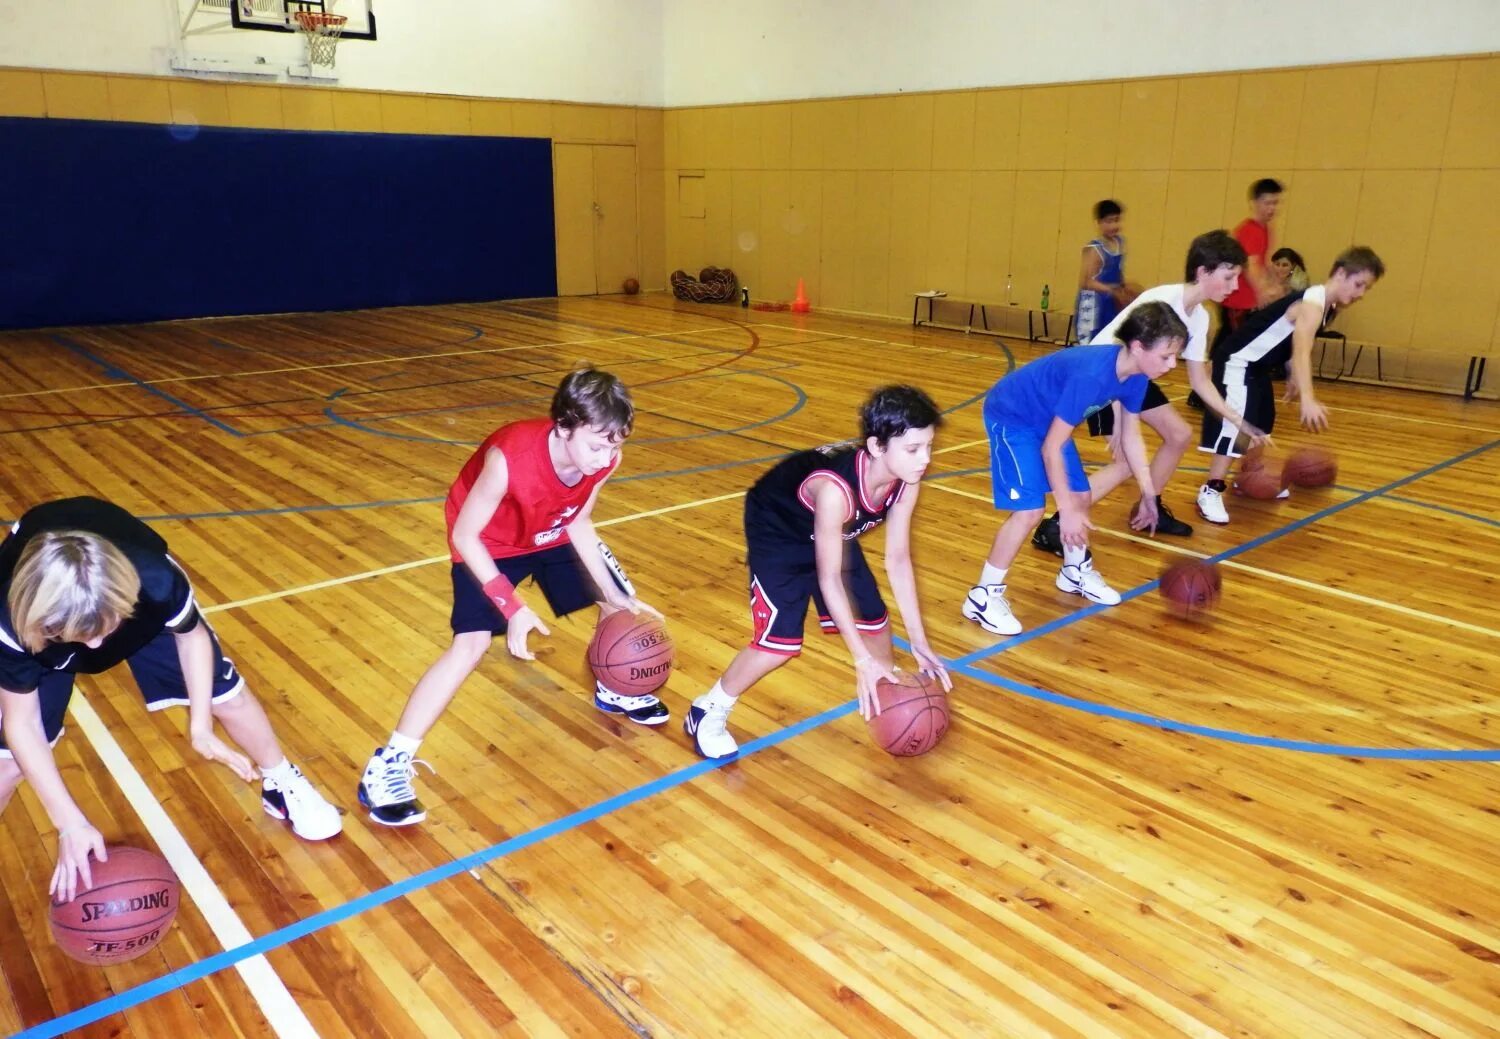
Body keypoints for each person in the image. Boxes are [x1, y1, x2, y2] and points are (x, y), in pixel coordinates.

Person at [0, 497, 342, 903]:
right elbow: (22, 723)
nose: (94, 647)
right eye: (83, 636)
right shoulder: (13, 622)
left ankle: (281, 782)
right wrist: (69, 822)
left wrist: (200, 726)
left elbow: (192, 638)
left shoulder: (156, 580)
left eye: (102, 632)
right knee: (7, 761)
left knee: (226, 696)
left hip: (127, 610)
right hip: (46, 631)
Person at [358, 368, 660, 825]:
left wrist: (618, 595)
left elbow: (578, 521)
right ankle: (389, 764)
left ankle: (614, 686)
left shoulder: (605, 458)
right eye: (597, 446)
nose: (605, 458)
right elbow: (465, 535)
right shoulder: (510, 459)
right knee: (471, 645)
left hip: (551, 531)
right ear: (563, 427)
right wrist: (512, 606)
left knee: (617, 605)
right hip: (488, 541)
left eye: (615, 445)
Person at [684, 386, 952, 761]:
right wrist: (860, 660)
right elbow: (828, 579)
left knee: (873, 621)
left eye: (928, 447)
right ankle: (708, 710)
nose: (924, 459)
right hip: (779, 528)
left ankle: (889, 691)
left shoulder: (906, 479)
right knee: (779, 644)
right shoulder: (835, 493)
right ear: (876, 447)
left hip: (831, 528)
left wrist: (920, 640)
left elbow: (898, 559)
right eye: (913, 449)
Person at [964, 303, 1188, 637]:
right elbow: (1051, 448)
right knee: (1030, 511)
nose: (1172, 365)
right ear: (1138, 347)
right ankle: (983, 597)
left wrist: (1149, 492)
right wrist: (1065, 511)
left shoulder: (1137, 374)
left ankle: (1074, 572)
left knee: (1081, 493)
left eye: (1176, 357)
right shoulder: (1092, 375)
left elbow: (1131, 434)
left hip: (1046, 419)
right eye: (1167, 356)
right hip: (1013, 416)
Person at [1032, 230, 1250, 555]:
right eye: (1229, 277)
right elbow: (1124, 354)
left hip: (1135, 378)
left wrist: (1236, 419)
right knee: (1125, 462)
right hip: (1103, 375)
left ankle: (1150, 506)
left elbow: (1200, 381)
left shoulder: (1200, 317)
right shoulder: (1162, 300)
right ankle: (1057, 524)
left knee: (1179, 434)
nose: (1234, 287)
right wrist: (1122, 421)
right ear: (1204, 272)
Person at [1197, 246, 1385, 523]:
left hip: (1258, 366)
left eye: (1366, 289)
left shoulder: (1327, 307)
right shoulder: (1313, 302)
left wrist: (1291, 375)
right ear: (1341, 273)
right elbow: (1300, 348)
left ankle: (1247, 477)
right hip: (1238, 361)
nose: (1360, 294)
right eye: (1358, 285)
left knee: (1261, 422)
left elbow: (1288, 339)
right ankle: (1210, 490)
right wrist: (1308, 397)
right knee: (1236, 426)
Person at [1190, 178, 1284, 410]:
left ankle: (1204, 392)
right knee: (1227, 350)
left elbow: (1263, 262)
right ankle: (1203, 392)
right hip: (1236, 303)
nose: (1271, 208)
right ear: (1254, 203)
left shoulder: (1265, 230)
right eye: (1267, 203)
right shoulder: (1249, 230)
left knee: (1227, 348)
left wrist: (1275, 283)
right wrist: (1264, 293)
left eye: (1275, 203)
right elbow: (1251, 265)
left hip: (1244, 303)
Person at [1073, 200, 1138, 345]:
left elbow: (1118, 272)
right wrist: (1112, 289)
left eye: (1116, 220)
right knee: (1091, 347)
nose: (1114, 225)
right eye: (1108, 221)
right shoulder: (1094, 249)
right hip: (1093, 305)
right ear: (1098, 223)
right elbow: (1085, 282)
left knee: (1111, 344)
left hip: (1111, 302)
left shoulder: (1120, 242)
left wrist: (1124, 288)